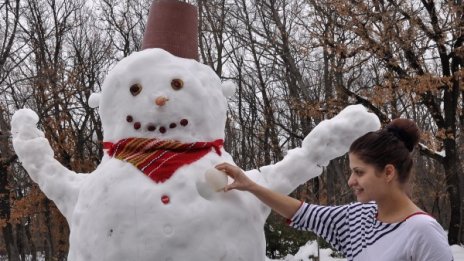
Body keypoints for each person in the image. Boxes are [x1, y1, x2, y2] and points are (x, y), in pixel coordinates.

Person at [215, 118, 453, 261]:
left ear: (388, 173)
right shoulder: (360, 216)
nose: (351, 181)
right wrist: (251, 186)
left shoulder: (422, 232)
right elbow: (303, 214)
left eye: (359, 172)